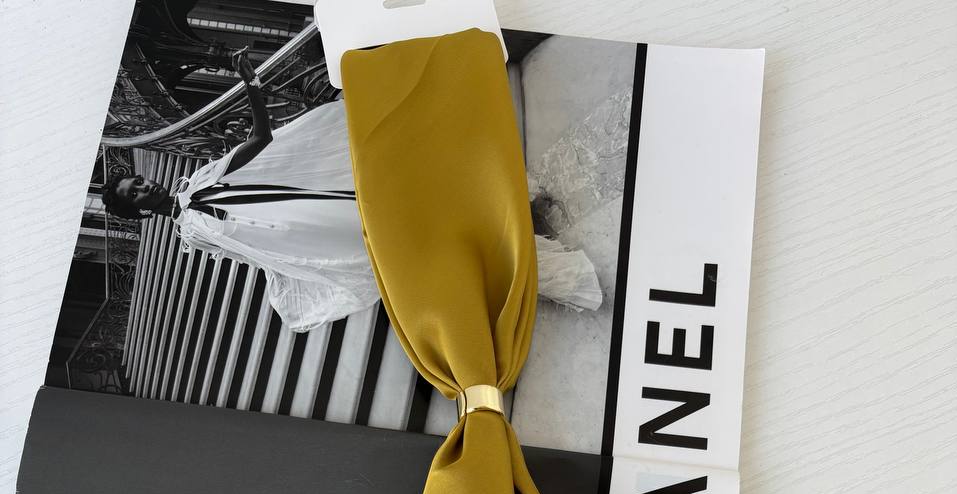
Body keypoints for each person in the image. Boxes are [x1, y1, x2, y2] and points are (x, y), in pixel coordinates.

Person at [99, 48, 603, 331]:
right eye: (136, 192)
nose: (145, 184)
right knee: (417, 243)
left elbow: (259, 142)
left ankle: (506, 212)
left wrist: (252, 87)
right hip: (322, 234)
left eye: (138, 180)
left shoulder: (202, 179)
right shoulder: (192, 234)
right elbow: (262, 255)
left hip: (327, 203)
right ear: (139, 212)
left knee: (417, 202)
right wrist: (323, 262)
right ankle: (524, 262)